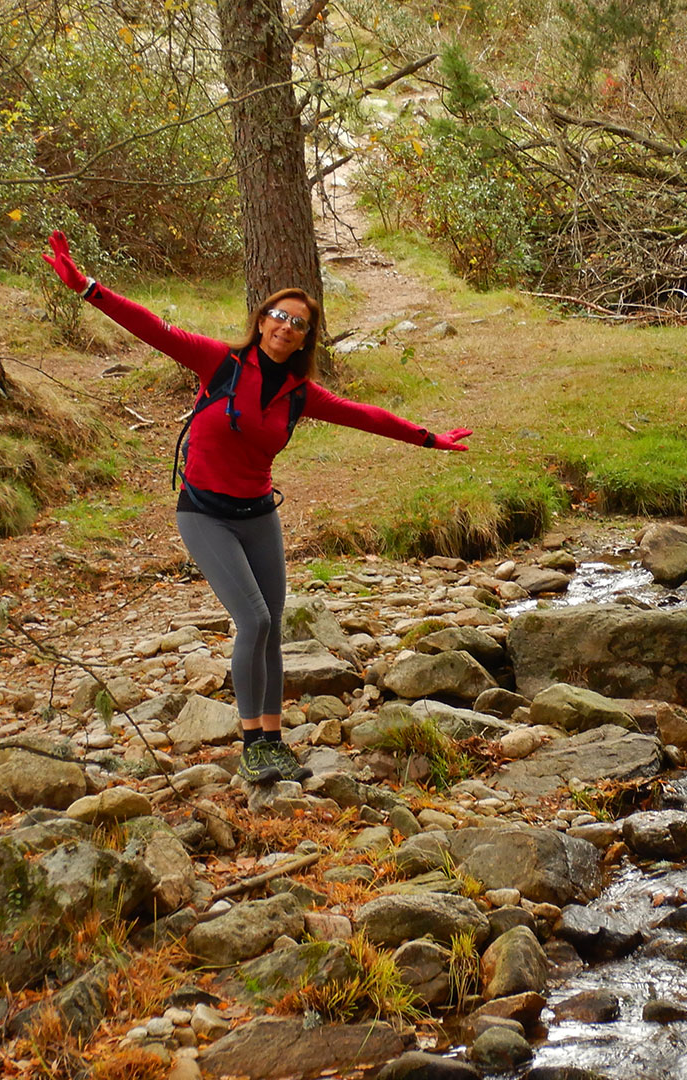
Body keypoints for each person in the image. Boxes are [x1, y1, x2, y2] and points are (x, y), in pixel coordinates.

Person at [43, 231, 472, 783]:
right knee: (254, 618)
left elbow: (365, 415)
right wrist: (87, 288)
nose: (285, 326)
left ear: (305, 339)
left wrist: (429, 438)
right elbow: (151, 327)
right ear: (262, 319)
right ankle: (252, 743)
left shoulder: (300, 393)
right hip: (204, 513)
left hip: (258, 516)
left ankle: (272, 736)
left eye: (298, 323)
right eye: (278, 314)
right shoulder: (218, 362)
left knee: (272, 628)